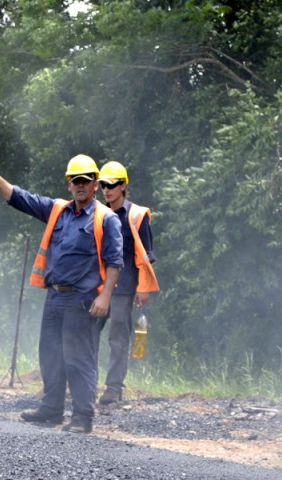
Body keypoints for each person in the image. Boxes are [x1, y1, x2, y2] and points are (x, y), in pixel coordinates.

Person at [0, 154, 123, 434]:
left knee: (79, 359)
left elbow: (115, 261)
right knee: (50, 354)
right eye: (75, 180)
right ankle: (52, 408)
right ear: (69, 185)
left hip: (82, 301)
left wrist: (105, 296)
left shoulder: (106, 219)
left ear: (96, 184)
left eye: (85, 180)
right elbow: (23, 199)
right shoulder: (58, 210)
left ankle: (83, 416)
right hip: (55, 296)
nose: (80, 185)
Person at [97, 161, 159, 405]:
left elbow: (146, 256)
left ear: (123, 186)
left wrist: (143, 288)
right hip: (99, 287)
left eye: (112, 184)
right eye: (103, 185)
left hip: (124, 289)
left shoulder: (136, 215)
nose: (107, 189)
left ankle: (114, 388)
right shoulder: (99, 213)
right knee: (88, 333)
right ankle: (84, 383)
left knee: (118, 338)